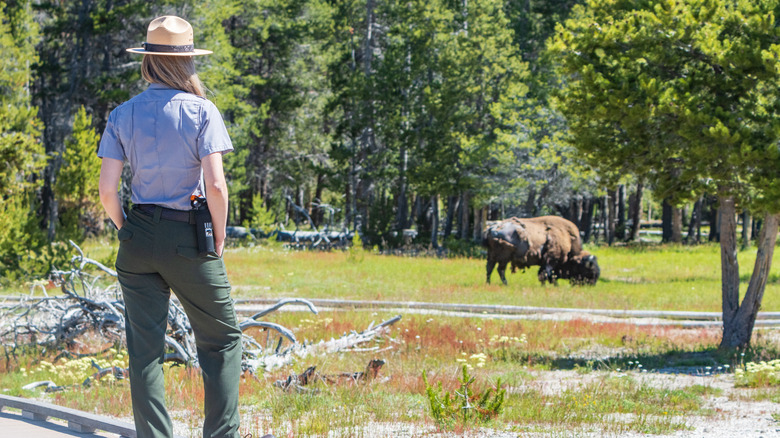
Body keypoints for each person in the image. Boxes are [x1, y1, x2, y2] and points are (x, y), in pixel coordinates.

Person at [98, 16, 271, 438]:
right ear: (187, 62)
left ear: (148, 62)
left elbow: (106, 190)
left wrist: (127, 229)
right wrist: (220, 236)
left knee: (144, 353)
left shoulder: (122, 114)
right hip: (190, 236)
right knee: (223, 341)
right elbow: (215, 184)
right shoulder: (201, 111)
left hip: (137, 236)